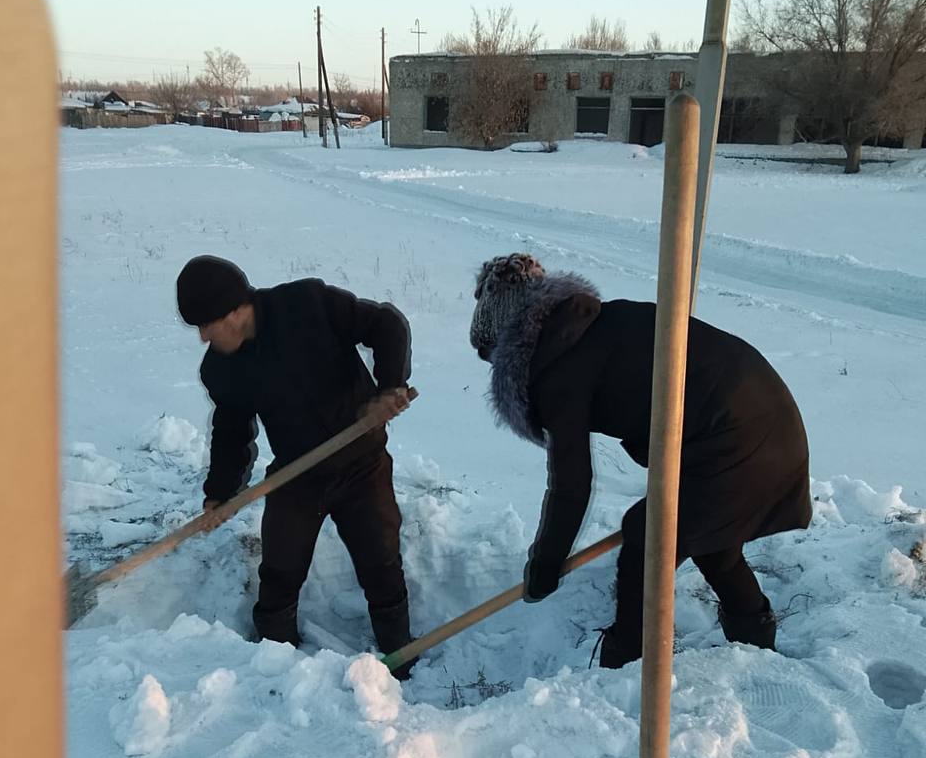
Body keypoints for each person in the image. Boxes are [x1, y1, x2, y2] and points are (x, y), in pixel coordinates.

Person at [469, 253, 811, 667]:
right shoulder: (589, 326)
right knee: (704, 537)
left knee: (647, 538)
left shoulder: (559, 370)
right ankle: (754, 638)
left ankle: (627, 663)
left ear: (512, 344)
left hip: (740, 435)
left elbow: (571, 483)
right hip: (766, 418)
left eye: (493, 357)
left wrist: (545, 563)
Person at [176, 254, 414, 668]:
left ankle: (401, 656)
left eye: (204, 326)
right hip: (296, 473)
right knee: (280, 573)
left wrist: (389, 387)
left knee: (380, 562)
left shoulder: (307, 304)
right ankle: (277, 664)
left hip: (362, 460)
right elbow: (232, 432)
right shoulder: (221, 369)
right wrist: (218, 494)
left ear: (233, 312)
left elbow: (386, 324)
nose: (201, 338)